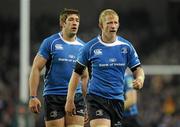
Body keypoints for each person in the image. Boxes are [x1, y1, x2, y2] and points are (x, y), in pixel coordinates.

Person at [65, 9, 145, 127]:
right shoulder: (89, 48)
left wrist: (140, 79)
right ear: (101, 25)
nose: (113, 26)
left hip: (117, 100)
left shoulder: (126, 47)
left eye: (115, 22)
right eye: (109, 23)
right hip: (97, 99)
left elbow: (138, 69)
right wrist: (70, 99)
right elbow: (76, 74)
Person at [28, 8, 88, 127]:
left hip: (76, 97)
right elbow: (36, 68)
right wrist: (33, 96)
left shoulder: (83, 47)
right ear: (62, 23)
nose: (75, 22)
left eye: (77, 20)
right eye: (71, 19)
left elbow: (85, 76)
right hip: (54, 96)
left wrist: (86, 103)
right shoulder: (50, 42)